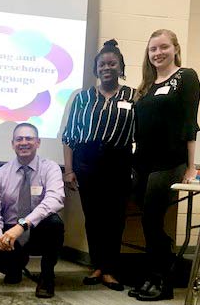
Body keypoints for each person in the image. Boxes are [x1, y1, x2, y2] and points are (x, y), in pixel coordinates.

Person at [129, 29, 200, 302]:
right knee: (149, 222)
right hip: (143, 164)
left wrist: (191, 166)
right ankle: (152, 276)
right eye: (152, 49)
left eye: (163, 47)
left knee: (151, 219)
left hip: (170, 161)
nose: (157, 53)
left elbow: (189, 123)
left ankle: (163, 281)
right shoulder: (146, 87)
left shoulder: (186, 77)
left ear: (175, 49)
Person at [61, 39, 136, 292]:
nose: (107, 67)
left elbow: (140, 134)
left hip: (119, 163)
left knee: (115, 218)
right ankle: (97, 266)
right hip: (87, 162)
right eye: (102, 64)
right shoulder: (82, 98)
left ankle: (111, 269)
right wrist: (69, 170)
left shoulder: (133, 96)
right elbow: (70, 135)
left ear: (120, 67)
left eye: (112, 63)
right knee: (93, 218)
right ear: (96, 68)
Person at [0, 123, 65, 299]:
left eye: (29, 138)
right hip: (11, 234)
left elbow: (55, 199)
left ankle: (47, 276)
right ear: (12, 144)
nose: (24, 142)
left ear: (38, 142)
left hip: (37, 230)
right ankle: (14, 268)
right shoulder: (0, 174)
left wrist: (23, 224)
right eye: (19, 139)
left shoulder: (50, 168)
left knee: (55, 224)